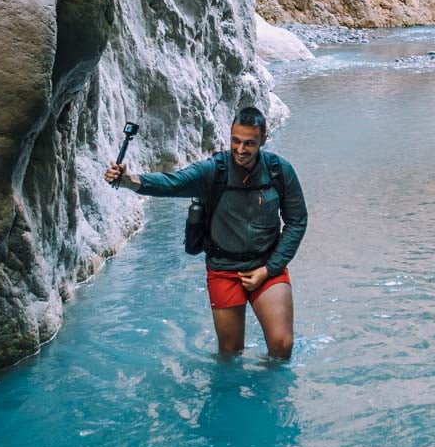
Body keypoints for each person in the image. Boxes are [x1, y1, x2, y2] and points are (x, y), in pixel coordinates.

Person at [105, 106, 307, 359]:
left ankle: (271, 392)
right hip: (223, 268)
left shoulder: (279, 171)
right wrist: (130, 181)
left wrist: (269, 269)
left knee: (281, 346)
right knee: (230, 353)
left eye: (249, 143)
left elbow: (297, 221)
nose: (241, 150)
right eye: (235, 141)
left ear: (263, 140)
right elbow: (174, 183)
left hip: (266, 267)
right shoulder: (215, 169)